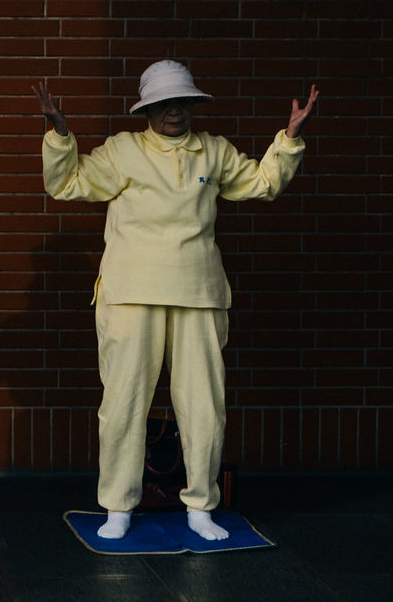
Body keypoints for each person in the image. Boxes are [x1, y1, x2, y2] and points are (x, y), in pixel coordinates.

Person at [33, 60, 319, 541]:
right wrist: (60, 135)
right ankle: (118, 507)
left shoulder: (214, 152)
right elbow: (66, 183)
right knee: (123, 403)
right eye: (164, 104)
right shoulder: (124, 151)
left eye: (182, 102)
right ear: (147, 108)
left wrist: (287, 140)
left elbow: (263, 184)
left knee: (204, 405)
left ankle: (201, 506)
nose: (174, 112)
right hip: (130, 294)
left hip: (198, 293)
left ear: (193, 105)